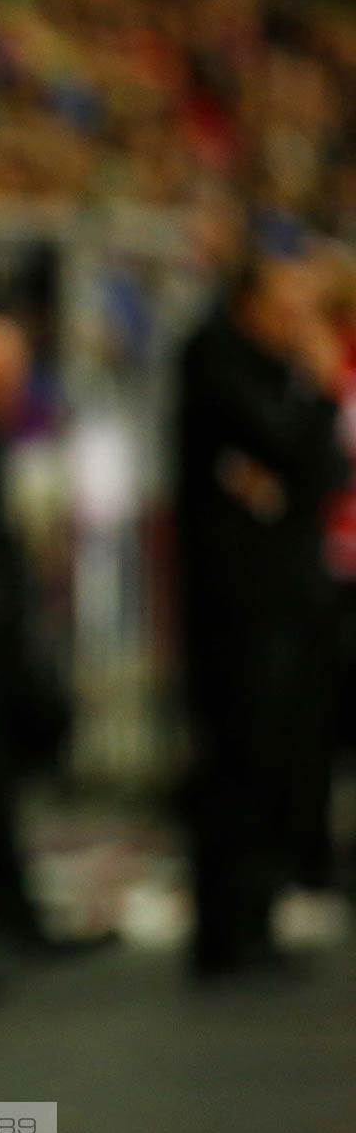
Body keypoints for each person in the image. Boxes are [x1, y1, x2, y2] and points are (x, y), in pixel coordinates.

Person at [175, 252, 346, 979]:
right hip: (238, 604)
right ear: (249, 300)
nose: (299, 321)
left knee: (280, 757)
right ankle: (227, 929)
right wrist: (319, 391)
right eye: (288, 302)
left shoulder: (270, 369)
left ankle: (260, 917)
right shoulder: (215, 360)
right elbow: (283, 446)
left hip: (287, 595)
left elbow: (320, 474)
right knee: (237, 759)